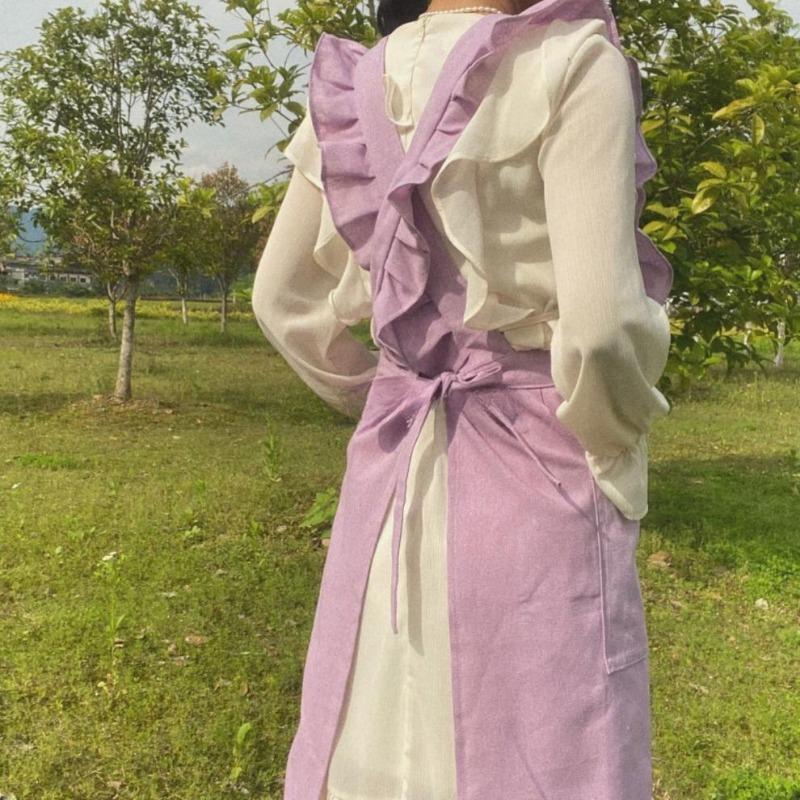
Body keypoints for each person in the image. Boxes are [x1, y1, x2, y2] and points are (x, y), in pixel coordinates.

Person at [251, 0, 674, 795]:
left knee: (385, 720)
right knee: (552, 739)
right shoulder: (574, 61)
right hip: (538, 466)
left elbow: (280, 299)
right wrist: (614, 441)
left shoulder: (355, 82)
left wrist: (386, 392)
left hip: (394, 466)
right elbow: (599, 329)